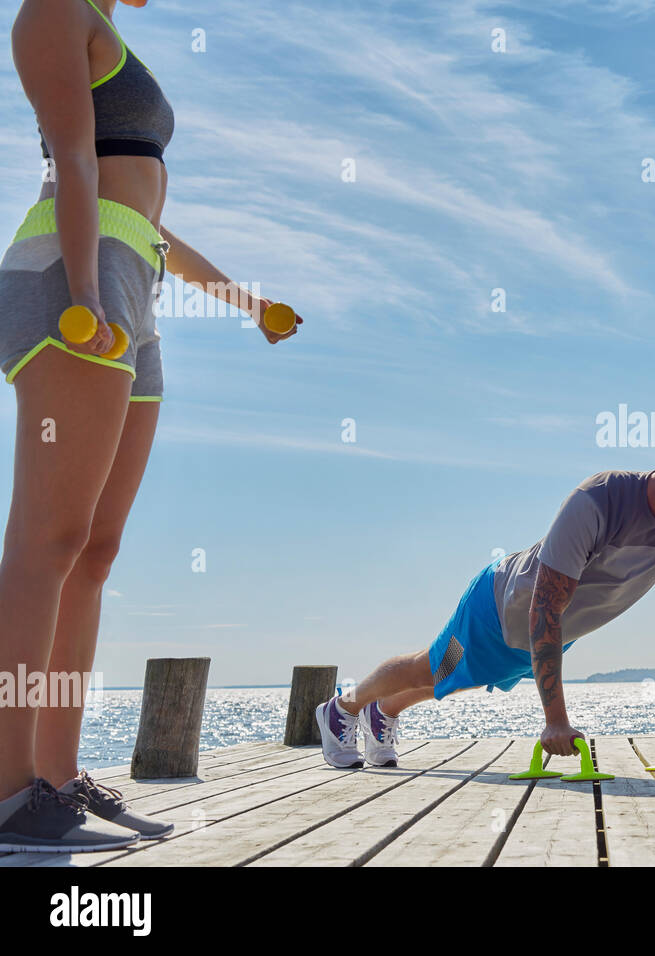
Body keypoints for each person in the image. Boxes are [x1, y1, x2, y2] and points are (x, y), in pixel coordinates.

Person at [0, 0, 299, 853]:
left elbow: (152, 221)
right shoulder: (50, 11)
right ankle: (6, 792)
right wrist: (87, 293)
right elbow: (71, 158)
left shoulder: (101, 21)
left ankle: (53, 780)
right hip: (73, 272)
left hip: (134, 280)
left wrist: (251, 304)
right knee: (46, 542)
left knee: (94, 551)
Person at [316, 444, 655, 768]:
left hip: (554, 633)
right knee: (431, 667)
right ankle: (342, 708)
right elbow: (545, 606)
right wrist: (555, 719)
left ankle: (382, 713)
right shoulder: (597, 501)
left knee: (464, 679)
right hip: (501, 608)